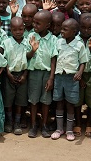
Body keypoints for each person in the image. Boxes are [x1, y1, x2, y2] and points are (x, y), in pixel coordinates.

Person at [51, 19, 87, 141]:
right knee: (59, 102)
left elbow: (83, 61)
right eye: (61, 28)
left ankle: (70, 130)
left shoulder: (79, 44)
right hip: (59, 77)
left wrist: (80, 73)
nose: (61, 31)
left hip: (72, 78)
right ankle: (59, 128)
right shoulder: (59, 42)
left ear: (74, 32)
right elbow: (54, 59)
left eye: (65, 29)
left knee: (70, 104)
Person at [26, 10, 57, 138]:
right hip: (34, 73)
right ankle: (33, 125)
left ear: (47, 25)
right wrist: (33, 50)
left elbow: (53, 59)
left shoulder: (53, 39)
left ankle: (44, 124)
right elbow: (27, 56)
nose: (34, 25)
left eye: (38, 23)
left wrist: (51, 78)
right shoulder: (31, 36)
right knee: (33, 100)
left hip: (47, 73)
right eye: (34, 22)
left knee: (45, 101)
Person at [1, 17, 30, 135]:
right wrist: (8, 73)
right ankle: (9, 121)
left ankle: (17, 122)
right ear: (10, 30)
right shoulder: (6, 43)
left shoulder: (28, 42)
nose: (18, 32)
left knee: (20, 99)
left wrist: (25, 75)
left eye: (20, 29)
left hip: (23, 74)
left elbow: (30, 60)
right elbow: (3, 60)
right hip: (9, 75)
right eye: (15, 30)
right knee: (8, 99)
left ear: (24, 28)